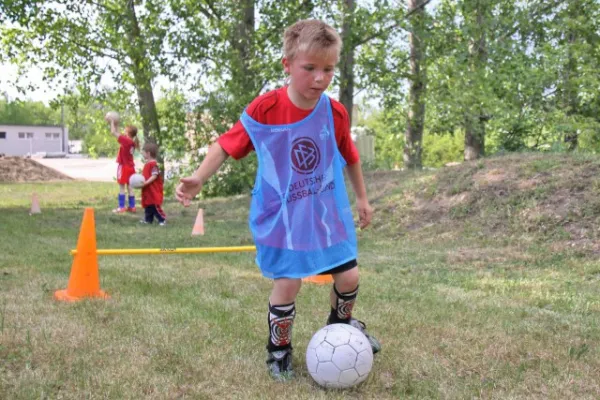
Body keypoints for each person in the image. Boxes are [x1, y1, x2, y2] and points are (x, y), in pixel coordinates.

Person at [175, 19, 379, 382]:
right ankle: (278, 350)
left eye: (328, 69)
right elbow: (226, 144)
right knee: (288, 284)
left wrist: (362, 199)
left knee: (349, 276)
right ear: (287, 65)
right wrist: (198, 178)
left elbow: (350, 155)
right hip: (281, 217)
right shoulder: (265, 109)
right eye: (310, 68)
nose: (320, 78)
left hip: (325, 213)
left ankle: (341, 329)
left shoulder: (335, 113)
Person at [108, 119, 139, 213]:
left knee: (122, 187)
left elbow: (113, 132)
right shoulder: (132, 142)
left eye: (125, 130)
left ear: (128, 133)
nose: (124, 132)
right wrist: (116, 124)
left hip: (124, 167)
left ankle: (121, 207)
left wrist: (111, 121)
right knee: (130, 187)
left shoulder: (126, 141)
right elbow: (117, 132)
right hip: (131, 168)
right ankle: (132, 207)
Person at [139, 143, 166, 226]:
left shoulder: (153, 164)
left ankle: (162, 219)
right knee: (148, 206)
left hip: (153, 191)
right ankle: (148, 220)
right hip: (148, 190)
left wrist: (146, 182)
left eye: (143, 152)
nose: (142, 154)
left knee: (155, 206)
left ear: (148, 153)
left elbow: (154, 175)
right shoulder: (147, 164)